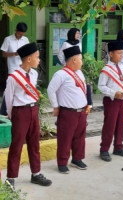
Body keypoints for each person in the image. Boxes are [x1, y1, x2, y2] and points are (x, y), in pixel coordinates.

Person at [4, 42, 52, 191]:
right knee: (16, 146)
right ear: (29, 59)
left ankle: (36, 173)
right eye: (37, 57)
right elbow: (9, 100)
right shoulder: (13, 77)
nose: (39, 60)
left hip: (33, 110)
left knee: (34, 143)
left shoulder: (34, 74)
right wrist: (14, 116)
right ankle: (10, 178)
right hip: (20, 112)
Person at [48, 46, 89, 174]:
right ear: (74, 60)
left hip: (81, 111)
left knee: (80, 137)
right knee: (65, 138)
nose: (82, 62)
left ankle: (77, 159)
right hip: (68, 112)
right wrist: (55, 106)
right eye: (81, 59)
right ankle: (62, 162)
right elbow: (51, 90)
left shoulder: (80, 73)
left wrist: (88, 105)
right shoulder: (61, 74)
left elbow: (85, 90)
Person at [98, 41, 123, 162]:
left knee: (121, 124)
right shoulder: (106, 69)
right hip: (112, 101)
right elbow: (101, 86)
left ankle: (118, 147)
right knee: (110, 125)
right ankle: (104, 149)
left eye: (122, 53)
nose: (121, 55)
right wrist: (114, 93)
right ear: (111, 54)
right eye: (119, 53)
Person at [0, 22, 29, 116]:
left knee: (22, 89)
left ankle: (17, 110)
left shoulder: (25, 40)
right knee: (9, 90)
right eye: (19, 34)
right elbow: (3, 54)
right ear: (15, 31)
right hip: (12, 69)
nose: (21, 36)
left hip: (23, 68)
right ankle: (3, 112)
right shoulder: (8, 39)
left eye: (22, 35)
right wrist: (15, 54)